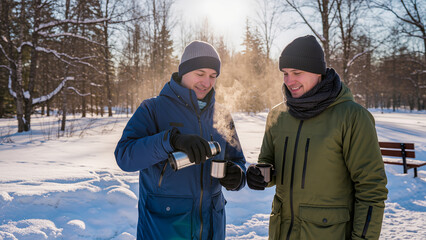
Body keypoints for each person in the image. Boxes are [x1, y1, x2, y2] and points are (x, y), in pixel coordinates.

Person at [246, 35, 388, 240]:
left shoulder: (352, 117)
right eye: (285, 73)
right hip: (282, 232)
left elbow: (371, 188)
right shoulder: (277, 115)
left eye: (297, 73)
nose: (289, 81)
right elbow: (269, 165)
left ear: (318, 72)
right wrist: (258, 175)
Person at [114, 40, 246, 240]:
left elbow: (238, 160)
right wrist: (171, 141)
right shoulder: (153, 109)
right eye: (200, 74)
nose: (207, 82)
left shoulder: (222, 115)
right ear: (183, 72)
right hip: (164, 229)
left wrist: (238, 175)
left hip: (212, 228)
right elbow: (125, 157)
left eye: (213, 76)